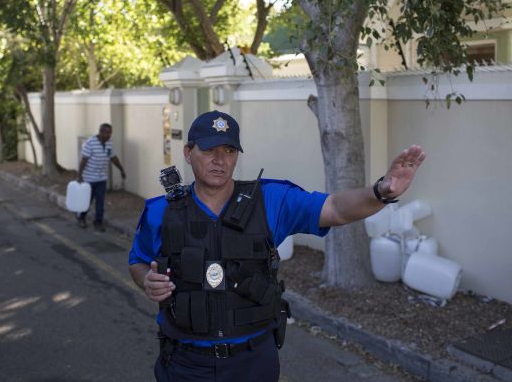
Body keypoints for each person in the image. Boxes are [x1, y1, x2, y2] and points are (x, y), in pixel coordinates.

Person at [128, 110, 426, 382]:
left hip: (253, 363)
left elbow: (335, 208)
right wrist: (147, 281)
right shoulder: (160, 211)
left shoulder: (270, 200)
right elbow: (137, 261)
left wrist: (381, 191)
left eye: (229, 150)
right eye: (209, 150)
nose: (220, 159)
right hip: (185, 363)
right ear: (188, 152)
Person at [76, 123, 126, 232]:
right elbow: (83, 160)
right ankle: (81, 218)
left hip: (101, 179)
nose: (109, 135)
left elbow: (113, 158)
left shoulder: (109, 144)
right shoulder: (90, 143)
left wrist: (121, 169)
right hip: (89, 179)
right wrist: (79, 175)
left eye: (110, 133)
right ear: (101, 132)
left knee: (100, 202)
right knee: (87, 201)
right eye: (107, 133)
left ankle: (98, 223)